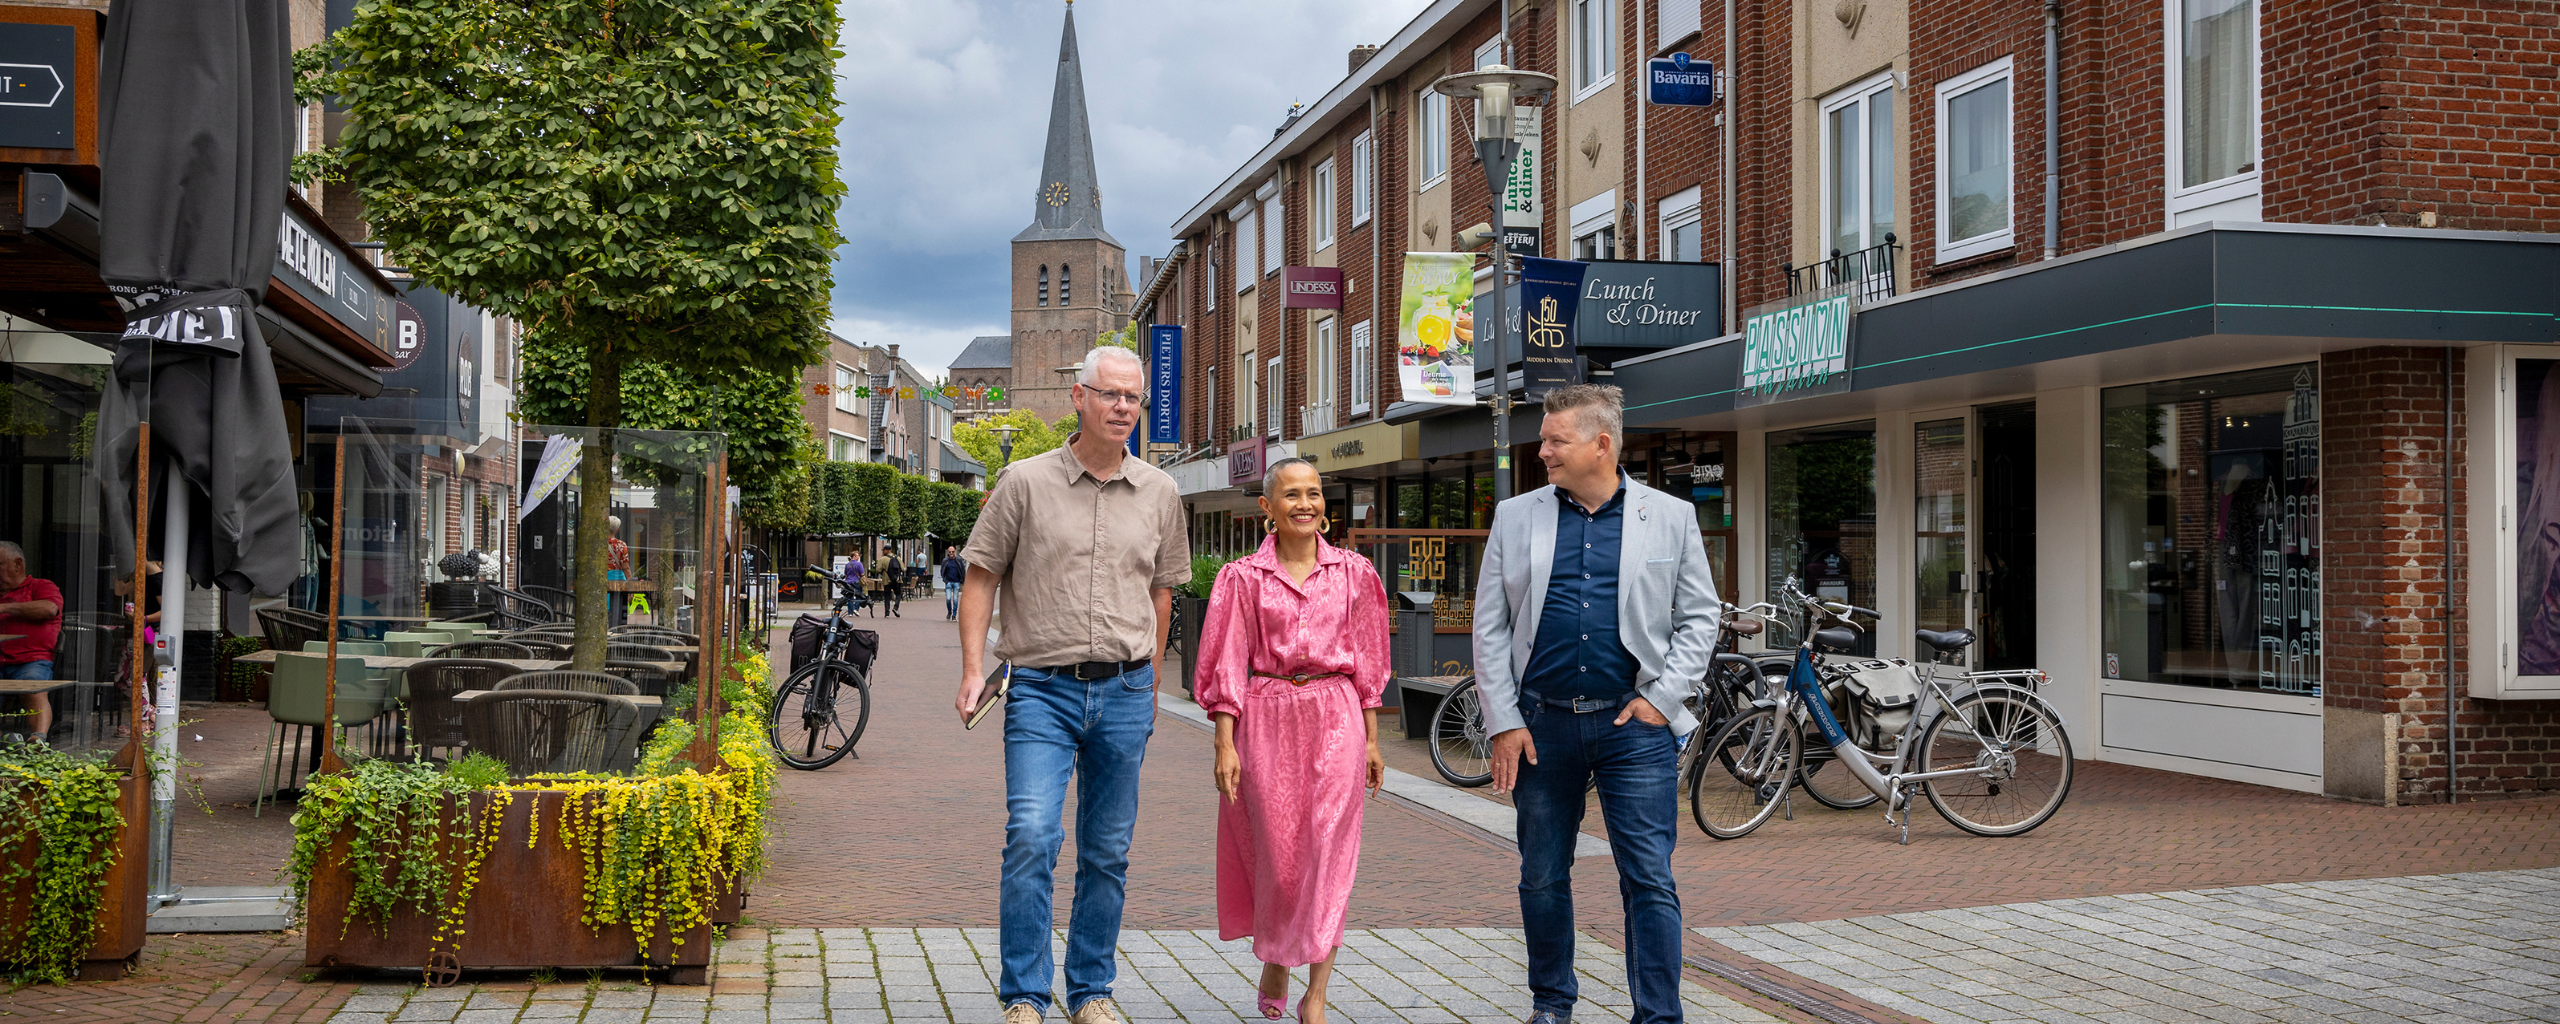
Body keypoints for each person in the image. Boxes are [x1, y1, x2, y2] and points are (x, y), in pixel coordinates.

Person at [954, 345, 1190, 1024]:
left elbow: (1162, 591)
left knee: (1108, 850)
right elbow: (980, 579)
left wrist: (1149, 684)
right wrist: (974, 670)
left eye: (1133, 398)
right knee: (1031, 833)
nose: (1123, 408)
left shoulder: (1161, 492)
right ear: (1079, 397)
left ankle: (1091, 992)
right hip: (1039, 689)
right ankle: (1025, 994)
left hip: (1123, 691)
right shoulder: (1023, 481)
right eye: (1110, 395)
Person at [1473, 384, 1721, 1024]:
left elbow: (1699, 617)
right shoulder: (1516, 515)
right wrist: (1503, 720)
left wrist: (1663, 701)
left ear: (1601, 444)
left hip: (1632, 725)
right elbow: (1491, 627)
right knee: (1542, 875)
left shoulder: (1670, 516)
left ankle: (1658, 1016)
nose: (1544, 449)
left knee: (1649, 879)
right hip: (1540, 725)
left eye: (1556, 439)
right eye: (1544, 437)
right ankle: (1553, 1005)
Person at [1194, 458, 1389, 1024]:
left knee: (1329, 853)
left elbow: (1371, 665)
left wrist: (1373, 742)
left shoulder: (1356, 574)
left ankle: (1317, 994)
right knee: (1279, 859)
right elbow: (1225, 663)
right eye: (1292, 495)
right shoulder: (1241, 578)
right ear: (1268, 508)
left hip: (1337, 716)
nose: (1306, 504)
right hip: (1267, 717)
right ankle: (1277, 954)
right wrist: (1224, 744)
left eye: (1314, 494)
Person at [0, 542, 66, 740]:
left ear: (18, 564)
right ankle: (6, 739)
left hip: (31, 660)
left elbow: (49, 609)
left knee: (32, 686)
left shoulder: (41, 586)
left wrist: (4, 608)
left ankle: (38, 739)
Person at [941, 550, 966, 620]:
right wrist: (945, 580)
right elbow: (942, 570)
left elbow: (962, 570)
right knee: (948, 599)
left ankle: (954, 615)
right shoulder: (945, 561)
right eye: (949, 552)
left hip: (956, 582)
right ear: (948, 553)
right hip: (948, 582)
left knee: (955, 600)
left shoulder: (958, 560)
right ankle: (949, 611)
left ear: (955, 552)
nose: (951, 553)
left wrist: (963, 580)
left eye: (952, 551)